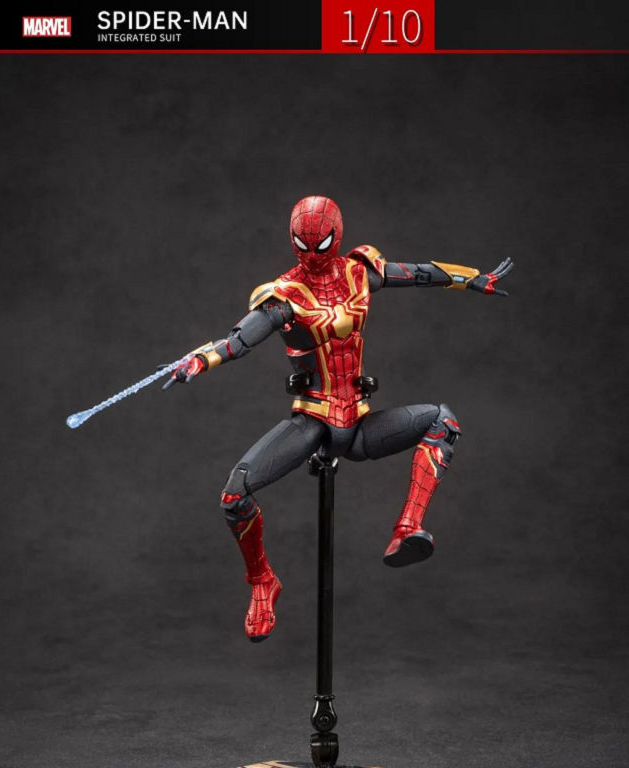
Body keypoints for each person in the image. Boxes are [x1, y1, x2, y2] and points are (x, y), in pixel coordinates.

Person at [166, 196, 513, 641]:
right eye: (302, 245)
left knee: (442, 421)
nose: (312, 255)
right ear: (292, 239)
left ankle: (407, 528)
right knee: (235, 497)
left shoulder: (359, 272)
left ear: (338, 235)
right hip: (313, 423)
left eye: (321, 244)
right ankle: (262, 582)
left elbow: (422, 273)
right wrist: (202, 360)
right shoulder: (284, 296)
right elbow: (241, 338)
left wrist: (473, 278)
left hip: (360, 422)